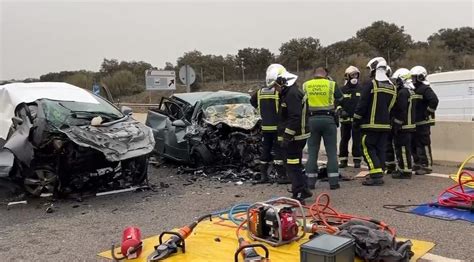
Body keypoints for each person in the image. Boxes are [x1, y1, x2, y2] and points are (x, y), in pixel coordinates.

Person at [266, 64, 312, 203]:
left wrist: (287, 136)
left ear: (281, 81)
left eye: (275, 85)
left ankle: (299, 193)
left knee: (292, 166)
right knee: (295, 164)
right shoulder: (290, 92)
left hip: (295, 137)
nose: (275, 89)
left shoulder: (291, 94)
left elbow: (294, 117)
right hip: (296, 136)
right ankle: (304, 189)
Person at [353, 57, 397, 186]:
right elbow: (392, 107)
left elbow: (362, 104)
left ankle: (376, 175)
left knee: (366, 147)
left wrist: (356, 120)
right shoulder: (393, 87)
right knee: (380, 150)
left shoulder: (371, 85)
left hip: (370, 125)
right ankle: (379, 171)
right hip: (385, 126)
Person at [303, 67, 343, 190]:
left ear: (314, 74)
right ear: (326, 75)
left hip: (312, 121)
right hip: (328, 119)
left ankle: (310, 182)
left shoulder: (306, 85)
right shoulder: (331, 84)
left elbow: (302, 101)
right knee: (331, 152)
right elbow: (341, 98)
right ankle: (334, 182)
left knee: (312, 152)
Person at [250, 82, 289, 184]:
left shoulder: (259, 92)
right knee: (278, 150)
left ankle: (264, 175)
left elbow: (252, 101)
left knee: (265, 150)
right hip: (277, 127)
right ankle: (281, 176)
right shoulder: (278, 92)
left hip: (265, 126)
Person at [385, 68, 417, 179]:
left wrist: (396, 124)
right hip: (410, 125)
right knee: (405, 148)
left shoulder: (403, 93)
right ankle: (404, 168)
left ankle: (405, 171)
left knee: (402, 149)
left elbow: (401, 110)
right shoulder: (411, 91)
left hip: (404, 126)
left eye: (397, 80)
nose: (396, 83)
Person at [410, 66, 439, 175]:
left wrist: (427, 113)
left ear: (420, 77)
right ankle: (417, 163)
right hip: (415, 122)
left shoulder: (425, 89)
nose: (412, 80)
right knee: (414, 143)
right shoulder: (413, 89)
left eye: (414, 77)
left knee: (424, 143)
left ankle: (427, 165)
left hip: (423, 122)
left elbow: (434, 100)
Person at [337, 66, 363, 169]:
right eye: (352, 75)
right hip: (345, 121)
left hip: (357, 121)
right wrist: (340, 110)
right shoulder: (342, 90)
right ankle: (343, 160)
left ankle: (357, 160)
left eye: (356, 74)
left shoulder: (361, 89)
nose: (354, 77)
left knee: (357, 140)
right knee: (344, 140)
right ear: (347, 76)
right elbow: (337, 103)